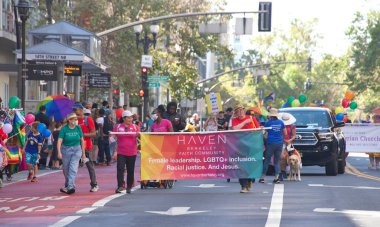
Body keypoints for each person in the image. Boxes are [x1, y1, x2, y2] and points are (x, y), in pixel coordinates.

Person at [72, 103, 99, 192]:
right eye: (73, 110)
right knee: (71, 166)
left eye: (75, 110)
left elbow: (94, 133)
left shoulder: (88, 119)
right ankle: (70, 185)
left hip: (86, 146)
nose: (74, 112)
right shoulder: (72, 120)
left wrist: (82, 135)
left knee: (89, 164)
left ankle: (94, 184)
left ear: (80, 110)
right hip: (74, 146)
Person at [231, 104, 257, 193]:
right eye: (238, 111)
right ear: (236, 113)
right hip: (240, 146)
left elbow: (257, 129)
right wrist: (245, 122)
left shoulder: (252, 118)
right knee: (241, 166)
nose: (240, 112)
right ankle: (243, 186)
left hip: (252, 145)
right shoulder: (234, 120)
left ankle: (250, 180)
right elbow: (235, 129)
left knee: (250, 165)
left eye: (241, 110)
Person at [57, 113, 85, 194]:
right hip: (66, 150)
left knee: (73, 168)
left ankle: (70, 187)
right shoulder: (64, 129)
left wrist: (83, 154)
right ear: (69, 120)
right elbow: (59, 141)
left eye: (76, 119)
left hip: (77, 149)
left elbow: (82, 140)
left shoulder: (78, 128)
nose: (76, 121)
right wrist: (59, 152)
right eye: (74, 119)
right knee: (66, 170)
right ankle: (67, 185)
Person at [113, 110, 141, 193]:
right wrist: (114, 149)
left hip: (132, 152)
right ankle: (120, 186)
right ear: (124, 118)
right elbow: (112, 138)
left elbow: (141, 138)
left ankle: (129, 187)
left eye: (131, 117)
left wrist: (139, 135)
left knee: (130, 170)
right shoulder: (117, 127)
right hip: (121, 152)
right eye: (128, 118)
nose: (130, 119)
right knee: (120, 168)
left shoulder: (136, 127)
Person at [259, 108, 287, 184]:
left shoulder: (268, 123)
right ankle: (277, 177)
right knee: (276, 161)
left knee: (267, 160)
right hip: (279, 143)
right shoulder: (281, 122)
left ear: (270, 116)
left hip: (270, 143)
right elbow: (285, 133)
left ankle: (262, 178)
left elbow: (265, 135)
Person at [151, 105, 174, 188]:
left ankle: (163, 181)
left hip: (166, 145)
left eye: (155, 113)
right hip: (156, 146)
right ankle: (157, 180)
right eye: (152, 114)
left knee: (164, 163)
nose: (153, 115)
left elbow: (172, 134)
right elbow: (151, 136)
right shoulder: (153, 125)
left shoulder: (167, 122)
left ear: (159, 114)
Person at [278, 112, 297, 181]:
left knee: (290, 158)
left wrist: (289, 140)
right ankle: (281, 173)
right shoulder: (280, 125)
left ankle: (284, 171)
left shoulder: (292, 126)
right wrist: (284, 140)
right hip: (281, 142)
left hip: (289, 143)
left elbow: (294, 135)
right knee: (281, 157)